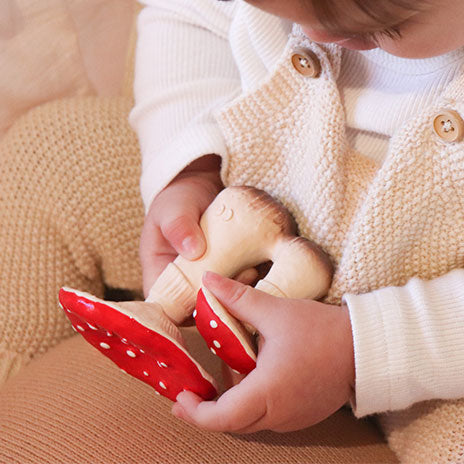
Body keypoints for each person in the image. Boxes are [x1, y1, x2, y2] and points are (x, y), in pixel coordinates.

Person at [0, 0, 463, 462]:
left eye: (386, 26)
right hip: (241, 199)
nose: (315, 35)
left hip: (429, 334)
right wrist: (188, 168)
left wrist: (361, 351)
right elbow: (188, 16)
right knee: (49, 155)